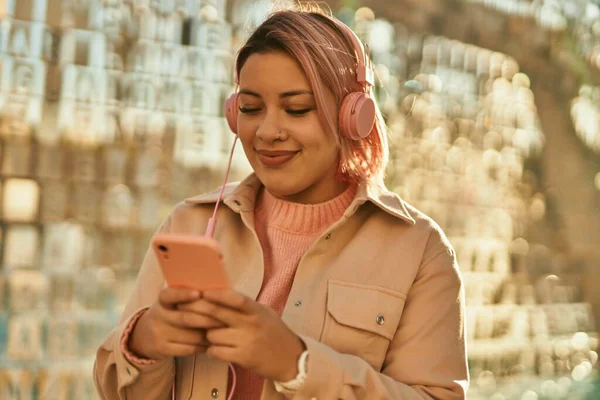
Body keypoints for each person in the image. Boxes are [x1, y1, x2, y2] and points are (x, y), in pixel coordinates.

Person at [94, 5, 469, 400]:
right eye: (251, 109)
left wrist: (297, 365)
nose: (268, 131)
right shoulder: (189, 224)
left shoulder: (421, 250)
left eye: (297, 109)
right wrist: (145, 341)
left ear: (352, 116)